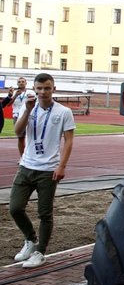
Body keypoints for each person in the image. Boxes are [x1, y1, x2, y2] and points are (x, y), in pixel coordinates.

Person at [9, 73, 76, 269]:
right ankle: (30, 240)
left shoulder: (63, 112)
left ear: (53, 88)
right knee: (15, 208)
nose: (42, 92)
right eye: (39, 88)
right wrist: (28, 111)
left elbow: (69, 140)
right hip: (26, 165)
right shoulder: (28, 106)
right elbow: (18, 132)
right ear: (34, 88)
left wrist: (62, 165)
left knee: (44, 213)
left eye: (47, 88)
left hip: (48, 169)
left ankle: (40, 251)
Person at [8, 77, 30, 155]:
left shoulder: (30, 92)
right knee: (20, 138)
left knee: (31, 137)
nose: (21, 83)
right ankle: (22, 157)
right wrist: (15, 96)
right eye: (19, 82)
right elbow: (8, 104)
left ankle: (29, 156)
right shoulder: (13, 93)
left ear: (26, 83)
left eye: (23, 81)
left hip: (28, 116)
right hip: (16, 116)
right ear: (17, 83)